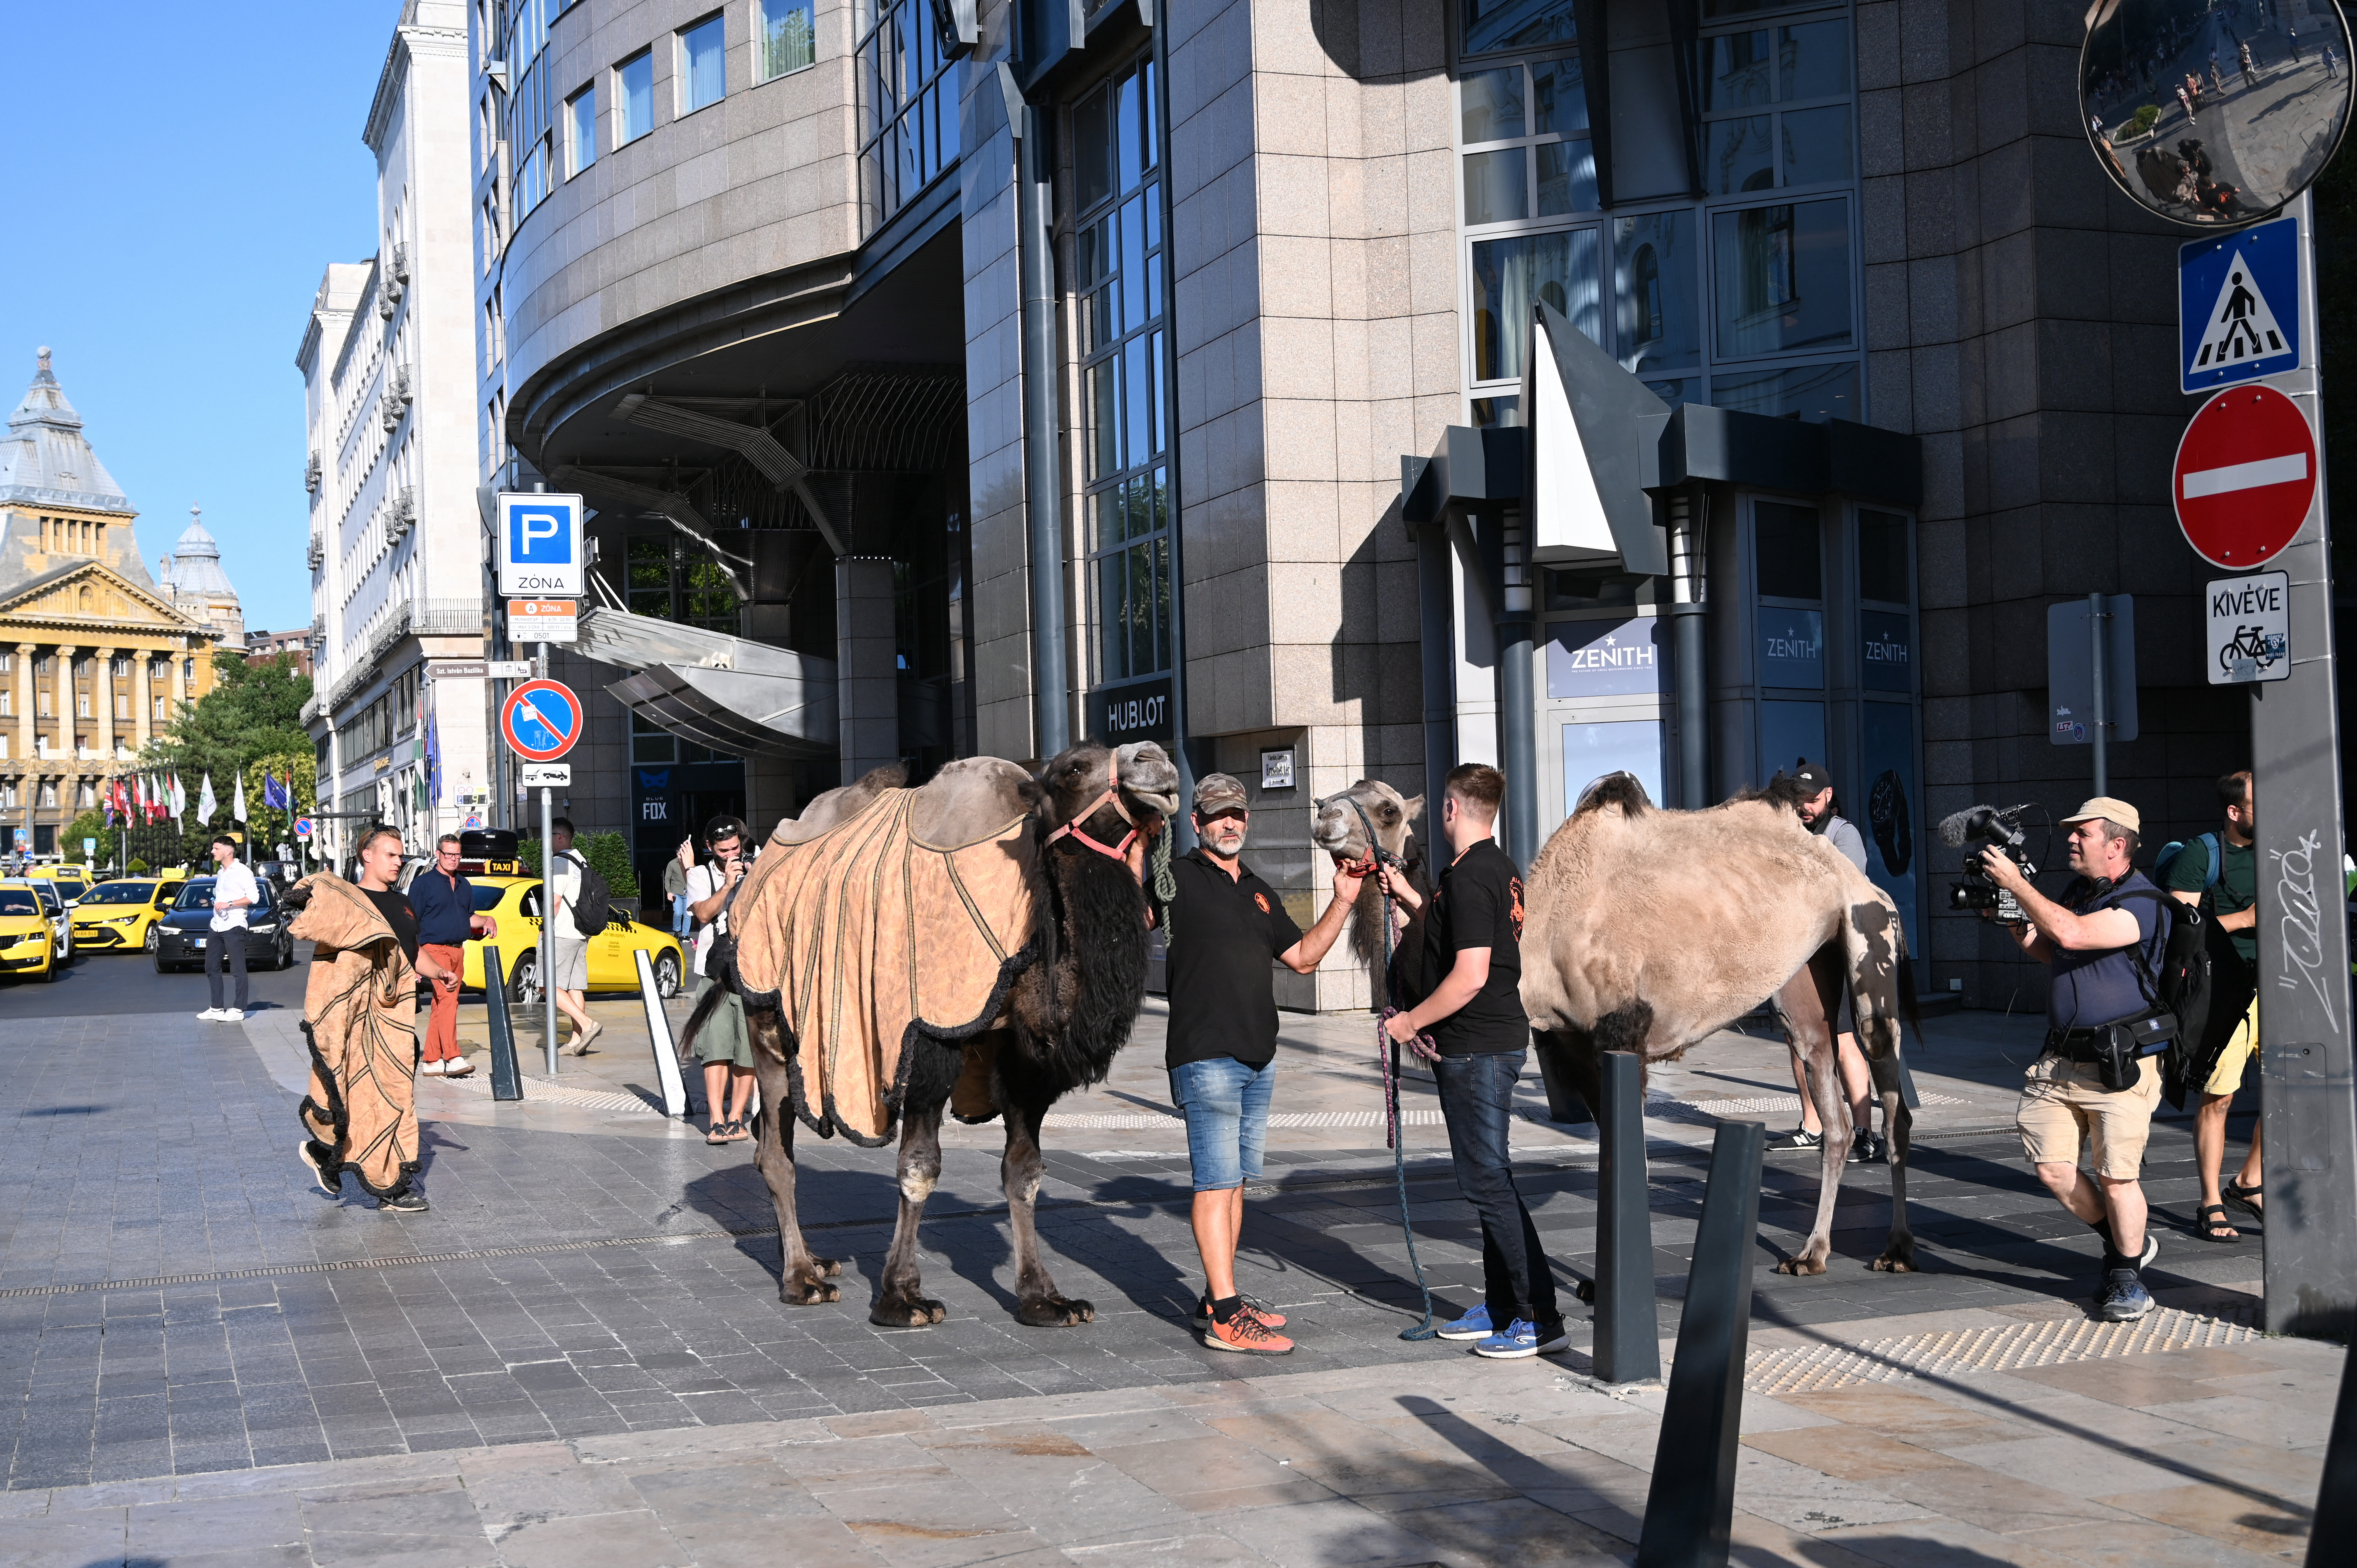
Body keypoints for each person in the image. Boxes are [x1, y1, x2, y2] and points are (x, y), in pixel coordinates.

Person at [1158, 773, 1364, 1355]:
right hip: (1206, 1055)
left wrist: (1344, 899)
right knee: (1214, 1181)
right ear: (1197, 822)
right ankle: (1226, 1317)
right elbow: (1129, 910)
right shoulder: (1174, 876)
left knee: (1236, 1183)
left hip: (1258, 1059)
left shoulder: (1256, 887)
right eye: (1219, 814)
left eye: (1238, 814)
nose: (1231, 823)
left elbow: (1300, 957)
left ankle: (1215, 1295)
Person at [1379, 764, 1565, 1360]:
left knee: (1487, 1180)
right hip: (1488, 1042)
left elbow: (1470, 974)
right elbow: (1450, 933)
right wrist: (1405, 894)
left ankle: (1539, 1316)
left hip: (1479, 1046)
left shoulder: (1469, 878)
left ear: (1453, 808)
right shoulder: (1495, 869)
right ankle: (1503, 1304)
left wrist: (1409, 1022)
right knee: (1487, 1181)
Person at [1976, 797, 2170, 1322]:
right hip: (2060, 1059)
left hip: (2118, 1063)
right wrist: (2012, 918)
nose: (2069, 839)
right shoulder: (2076, 894)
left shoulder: (2144, 901)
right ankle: (2125, 1241)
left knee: (2116, 1176)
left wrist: (2019, 885)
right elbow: (2051, 948)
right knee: (2052, 1169)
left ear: (2117, 845)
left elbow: (2074, 934)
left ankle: (2126, 1276)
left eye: (2081, 833)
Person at [293, 824, 459, 1213]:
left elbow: (412, 952)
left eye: (401, 854)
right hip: (353, 1017)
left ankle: (375, 1178)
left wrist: (439, 972)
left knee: (392, 1094)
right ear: (366, 855)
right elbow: (315, 915)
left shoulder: (402, 903)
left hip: (394, 1018)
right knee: (351, 1090)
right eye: (391, 854)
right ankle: (349, 1164)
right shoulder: (347, 899)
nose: (398, 860)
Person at [1765, 762, 1883, 1163]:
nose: (1804, 808)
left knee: (1845, 1040)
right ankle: (1812, 1126)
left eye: (1812, 801)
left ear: (1828, 796)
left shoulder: (1841, 834)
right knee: (1799, 1041)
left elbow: (1849, 888)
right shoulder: (1787, 834)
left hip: (1836, 954)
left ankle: (1863, 1130)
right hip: (1797, 956)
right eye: (1798, 801)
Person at [2165, 771, 2262, 1242]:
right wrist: (2245, 918)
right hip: (2227, 987)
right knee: (2219, 1098)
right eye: (2257, 802)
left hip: (2284, 984)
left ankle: (2249, 1181)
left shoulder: (2282, 848)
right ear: (2234, 811)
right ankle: (2209, 1201)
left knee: (2294, 1095)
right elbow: (2178, 931)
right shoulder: (2202, 854)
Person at [685, 816, 757, 1144]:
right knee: (715, 1049)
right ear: (710, 849)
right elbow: (702, 914)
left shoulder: (756, 869)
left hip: (750, 973)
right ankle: (716, 1119)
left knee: (747, 1051)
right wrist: (727, 885)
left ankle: (736, 1118)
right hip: (714, 974)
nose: (731, 855)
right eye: (723, 850)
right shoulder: (700, 875)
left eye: (735, 848)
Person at [407, 833, 499, 1078]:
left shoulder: (464, 885)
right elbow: (411, 924)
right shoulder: (423, 885)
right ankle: (452, 1056)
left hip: (458, 950)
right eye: (448, 854)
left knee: (441, 1005)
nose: (453, 859)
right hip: (432, 950)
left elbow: (468, 918)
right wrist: (414, 962)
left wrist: (487, 919)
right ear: (438, 854)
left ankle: (431, 1059)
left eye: (457, 854)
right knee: (449, 1001)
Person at [543, 818, 601, 1055]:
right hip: (580, 932)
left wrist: (547, 929)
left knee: (546, 985)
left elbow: (555, 900)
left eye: (549, 835)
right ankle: (577, 1042)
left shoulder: (559, 862)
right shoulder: (581, 861)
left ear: (560, 837)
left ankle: (587, 1024)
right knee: (575, 987)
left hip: (562, 932)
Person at [199, 836, 259, 1023]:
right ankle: (217, 1008)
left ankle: (239, 1009)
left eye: (216, 848)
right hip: (217, 925)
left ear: (228, 851)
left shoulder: (242, 871)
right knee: (211, 966)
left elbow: (254, 897)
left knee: (238, 969)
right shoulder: (221, 872)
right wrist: (217, 903)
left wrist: (230, 904)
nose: (212, 851)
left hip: (234, 925)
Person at [664, 841, 694, 940]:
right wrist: (669, 892)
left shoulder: (689, 863)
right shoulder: (672, 864)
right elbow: (667, 879)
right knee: (678, 913)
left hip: (688, 893)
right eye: (681, 853)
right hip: (677, 892)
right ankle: (676, 931)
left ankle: (686, 935)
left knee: (688, 914)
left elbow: (695, 875)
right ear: (678, 854)